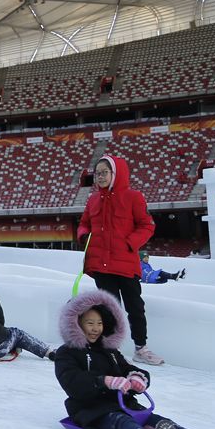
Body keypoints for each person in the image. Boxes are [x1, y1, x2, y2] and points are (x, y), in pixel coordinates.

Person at [54, 290, 215, 429]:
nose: (96, 328)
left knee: (164, 424)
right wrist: (104, 381)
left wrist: (137, 378)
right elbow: (72, 382)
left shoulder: (110, 351)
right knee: (123, 422)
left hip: (123, 404)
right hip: (91, 409)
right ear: (76, 324)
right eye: (90, 323)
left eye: (99, 323)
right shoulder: (67, 353)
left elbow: (127, 368)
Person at [78, 155, 161, 365]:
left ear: (116, 173)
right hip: (101, 265)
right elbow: (84, 223)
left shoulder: (134, 197)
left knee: (135, 307)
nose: (100, 177)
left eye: (104, 172)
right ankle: (110, 349)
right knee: (108, 309)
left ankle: (140, 348)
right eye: (97, 173)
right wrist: (84, 235)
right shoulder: (93, 199)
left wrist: (130, 243)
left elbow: (147, 225)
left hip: (125, 264)